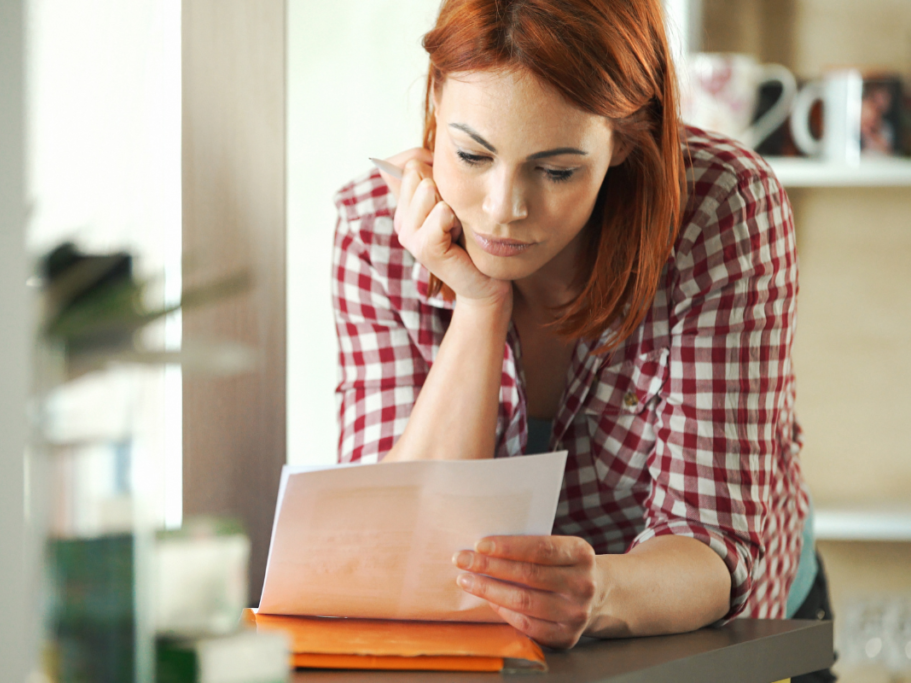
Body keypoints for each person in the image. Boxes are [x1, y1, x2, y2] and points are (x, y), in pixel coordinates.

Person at [331, 0, 833, 679]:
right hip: (499, 650)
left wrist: (596, 593)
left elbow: (710, 542)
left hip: (727, 636)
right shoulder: (373, 229)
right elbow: (397, 546)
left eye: (557, 169)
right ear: (435, 104)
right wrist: (480, 304)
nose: (503, 207)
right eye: (471, 153)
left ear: (625, 139)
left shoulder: (723, 207)